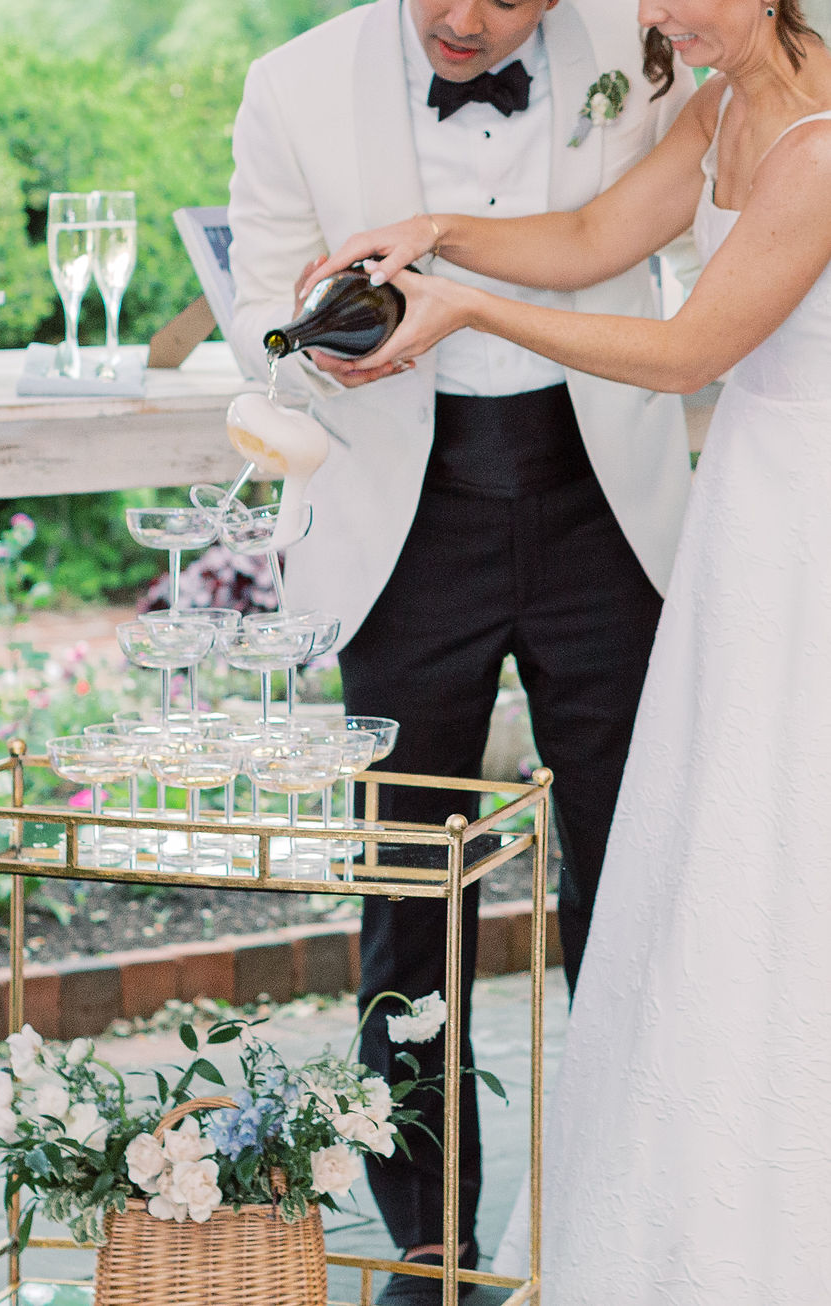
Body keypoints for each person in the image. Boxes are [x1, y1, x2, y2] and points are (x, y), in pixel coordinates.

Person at [312, 1, 831, 1299]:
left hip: (803, 518)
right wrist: (434, 231)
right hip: (739, 529)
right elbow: (600, 236)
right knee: (706, 856)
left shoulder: (820, 147)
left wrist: (471, 308)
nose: (651, 16)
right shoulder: (718, 104)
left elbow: (689, 350)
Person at [227, 2, 694, 1297]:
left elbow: (677, 239)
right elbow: (258, 319)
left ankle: (637, 1211)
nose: (465, 17)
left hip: (608, 508)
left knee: (636, 875)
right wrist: (327, 344)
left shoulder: (652, 49)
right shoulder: (291, 84)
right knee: (412, 898)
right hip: (402, 529)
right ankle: (433, 1247)